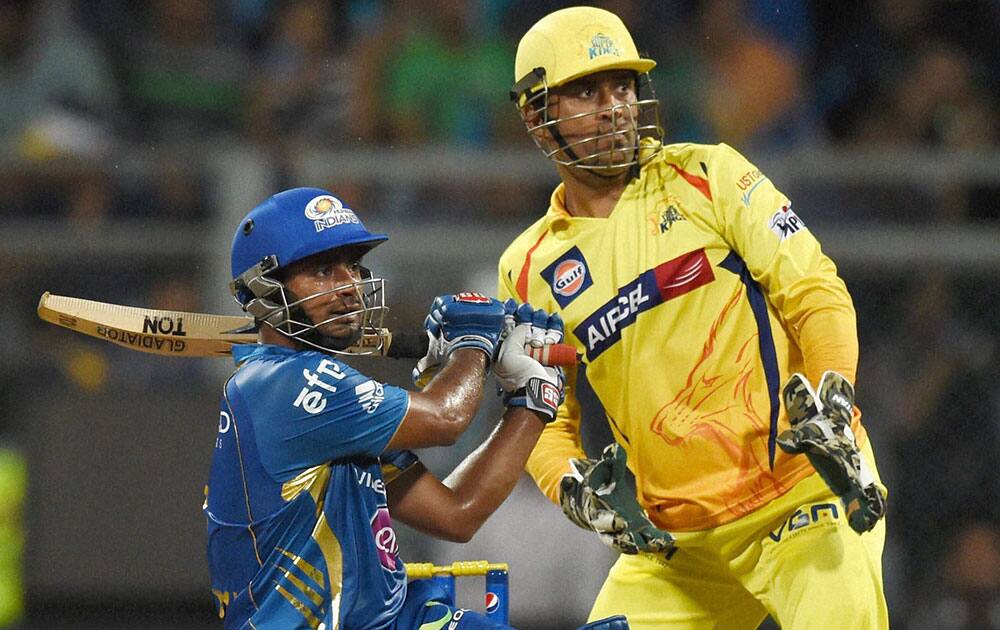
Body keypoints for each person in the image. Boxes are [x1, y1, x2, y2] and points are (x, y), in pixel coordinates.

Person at [498, 7, 889, 629]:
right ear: (536, 115)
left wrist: (834, 395)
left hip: (802, 499)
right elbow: (540, 415)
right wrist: (571, 487)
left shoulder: (709, 175)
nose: (614, 106)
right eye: (586, 90)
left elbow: (815, 291)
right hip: (675, 546)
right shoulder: (526, 269)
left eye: (623, 84)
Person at [204, 186, 603, 629]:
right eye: (322, 271)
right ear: (266, 288)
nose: (349, 287)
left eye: (352, 268)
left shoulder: (332, 405)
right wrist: (473, 343)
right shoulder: (284, 382)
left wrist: (530, 401)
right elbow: (446, 418)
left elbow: (458, 513)